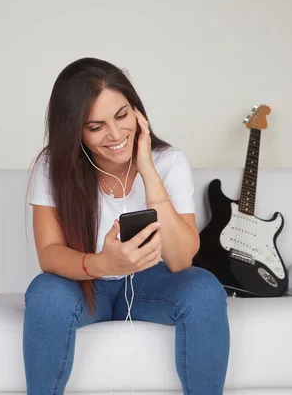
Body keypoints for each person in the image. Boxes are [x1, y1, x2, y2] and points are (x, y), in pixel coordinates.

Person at [24, 57, 230, 395]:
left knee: (205, 288)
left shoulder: (169, 161)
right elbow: (48, 255)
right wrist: (103, 264)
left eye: (122, 116)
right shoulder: (52, 166)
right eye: (96, 126)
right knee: (44, 292)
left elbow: (180, 261)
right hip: (88, 283)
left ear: (137, 111)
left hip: (151, 284)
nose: (116, 134)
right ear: (74, 130)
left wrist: (147, 168)